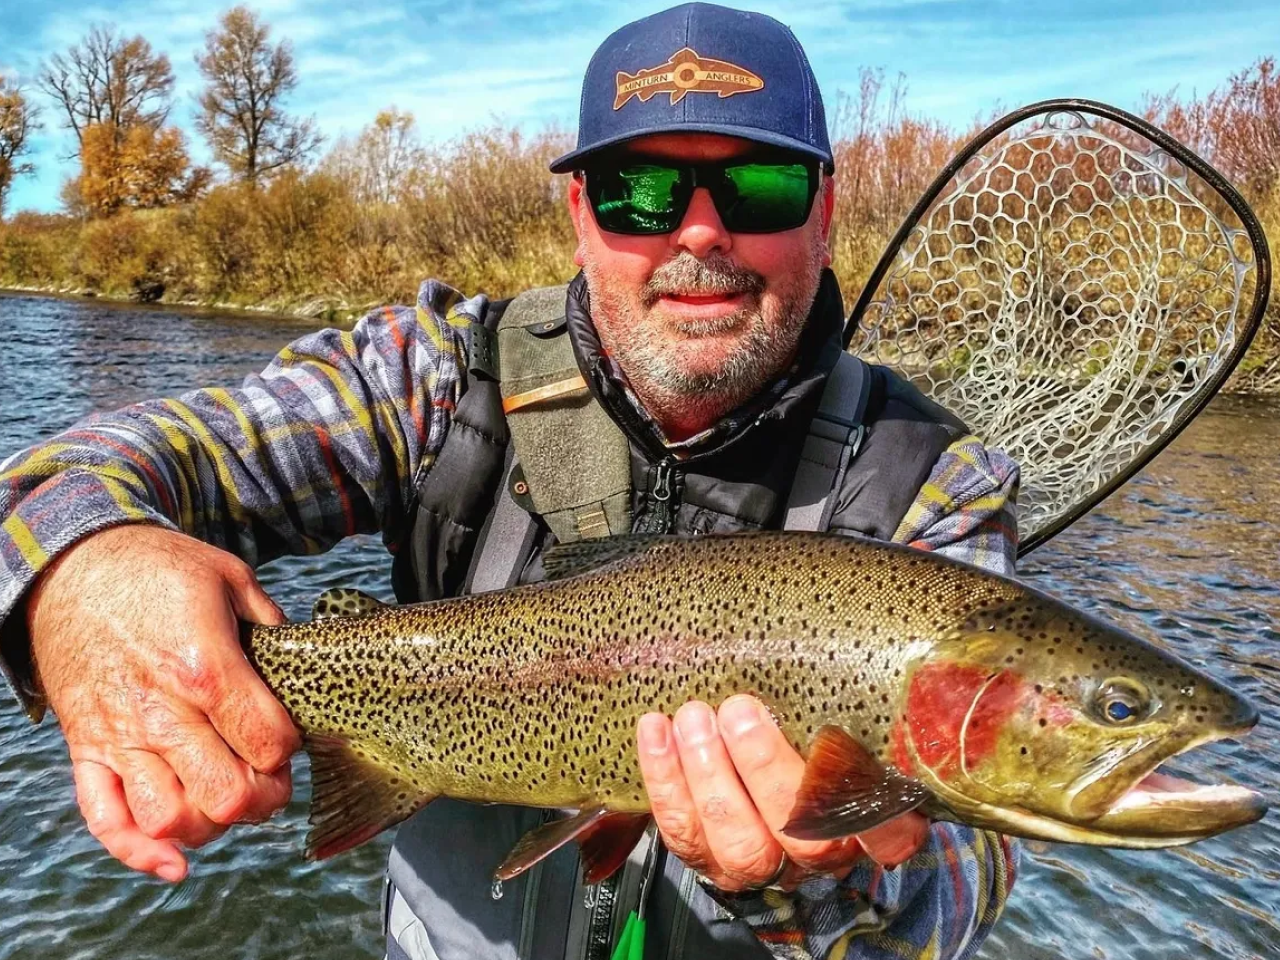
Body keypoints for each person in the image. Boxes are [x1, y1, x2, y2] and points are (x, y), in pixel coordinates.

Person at [0, 4, 1020, 958]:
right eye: (640, 191)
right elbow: (100, 465)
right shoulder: (441, 377)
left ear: (825, 211)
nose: (699, 233)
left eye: (757, 188)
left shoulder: (932, 481)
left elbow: (954, 898)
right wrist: (85, 563)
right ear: (580, 212)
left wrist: (810, 878)